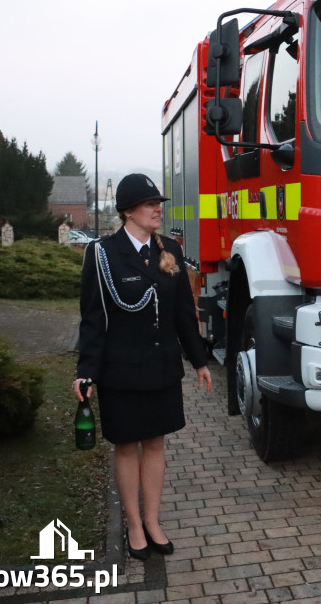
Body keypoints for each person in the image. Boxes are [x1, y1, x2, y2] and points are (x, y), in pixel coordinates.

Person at [74, 174, 212, 561]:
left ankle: (153, 521)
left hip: (162, 367)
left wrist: (199, 360)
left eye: (159, 203)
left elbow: (185, 311)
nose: (158, 209)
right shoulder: (102, 253)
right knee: (126, 446)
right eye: (150, 204)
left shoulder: (169, 248)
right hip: (120, 371)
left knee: (155, 443)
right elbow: (92, 318)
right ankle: (133, 524)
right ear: (128, 212)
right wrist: (86, 371)